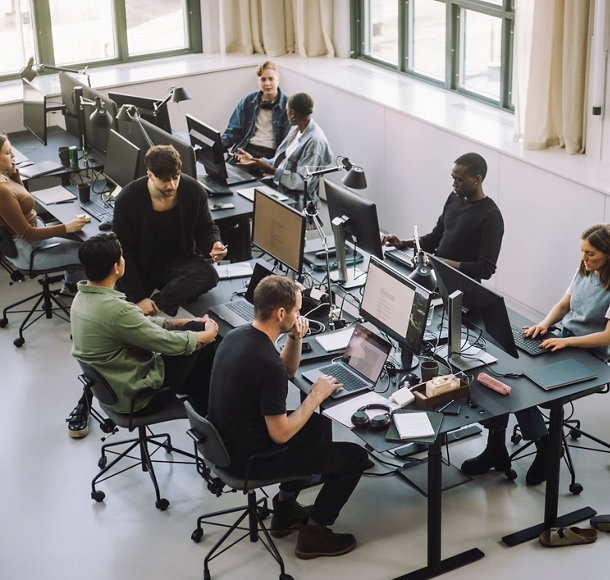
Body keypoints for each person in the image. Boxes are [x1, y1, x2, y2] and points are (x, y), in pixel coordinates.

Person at [207, 275, 369, 559]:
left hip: (226, 443)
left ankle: (284, 511)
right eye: (297, 310)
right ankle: (315, 533)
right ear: (281, 313)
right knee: (355, 457)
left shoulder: (239, 336)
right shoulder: (266, 363)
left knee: (317, 424)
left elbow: (287, 373)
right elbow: (280, 434)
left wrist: (294, 337)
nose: (299, 315)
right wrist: (314, 397)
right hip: (252, 460)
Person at [461, 224, 610, 485]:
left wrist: (567, 342)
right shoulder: (585, 271)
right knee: (501, 374)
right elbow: (564, 304)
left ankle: (546, 447)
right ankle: (496, 447)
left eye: (591, 253)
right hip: (563, 340)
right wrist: (544, 324)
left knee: (523, 386)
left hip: (590, 357)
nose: (584, 259)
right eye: (582, 252)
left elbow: (608, 337)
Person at [69, 232, 218, 435]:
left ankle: (201, 409)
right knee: (207, 349)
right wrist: (206, 335)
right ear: (116, 267)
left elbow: (138, 325)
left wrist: (181, 322)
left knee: (195, 339)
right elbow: (165, 342)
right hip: (139, 398)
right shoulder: (117, 310)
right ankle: (208, 425)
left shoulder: (82, 297)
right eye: (122, 257)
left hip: (113, 389)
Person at [113, 144, 227, 317]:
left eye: (176, 177)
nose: (172, 185)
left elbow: (205, 227)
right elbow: (123, 253)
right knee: (123, 293)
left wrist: (214, 244)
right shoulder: (127, 199)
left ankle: (156, 305)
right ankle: (144, 306)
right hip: (140, 265)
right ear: (150, 175)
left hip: (177, 261)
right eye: (165, 180)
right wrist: (138, 297)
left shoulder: (193, 191)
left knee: (209, 275)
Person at [382, 152, 503, 281]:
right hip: (436, 273)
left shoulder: (491, 217)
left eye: (459, 180)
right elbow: (435, 237)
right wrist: (402, 243)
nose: (454, 184)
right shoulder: (454, 198)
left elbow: (485, 269)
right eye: (453, 178)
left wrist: (438, 262)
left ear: (477, 180)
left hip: (460, 286)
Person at [0, 133, 86, 292]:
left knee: (81, 236)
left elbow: (22, 199)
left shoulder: (3, 178)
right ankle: (92, 303)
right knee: (91, 253)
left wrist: (14, 175)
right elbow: (27, 234)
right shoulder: (2, 192)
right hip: (30, 251)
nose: (12, 155)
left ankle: (70, 286)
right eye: (7, 153)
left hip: (36, 237)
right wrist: (66, 227)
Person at [233, 92, 332, 207]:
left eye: (286, 110)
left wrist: (272, 171)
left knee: (245, 205)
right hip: (278, 186)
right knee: (239, 195)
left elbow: (302, 182)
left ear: (292, 113)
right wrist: (254, 160)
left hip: (294, 200)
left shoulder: (314, 142)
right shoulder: (296, 129)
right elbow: (281, 162)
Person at [221, 61, 291, 160]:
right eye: (263, 79)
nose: (267, 83)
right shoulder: (247, 102)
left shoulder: (289, 106)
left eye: (271, 79)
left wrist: (275, 166)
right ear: (258, 80)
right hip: (247, 148)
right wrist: (215, 147)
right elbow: (232, 132)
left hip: (271, 154)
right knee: (227, 173)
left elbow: (288, 143)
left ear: (278, 79)